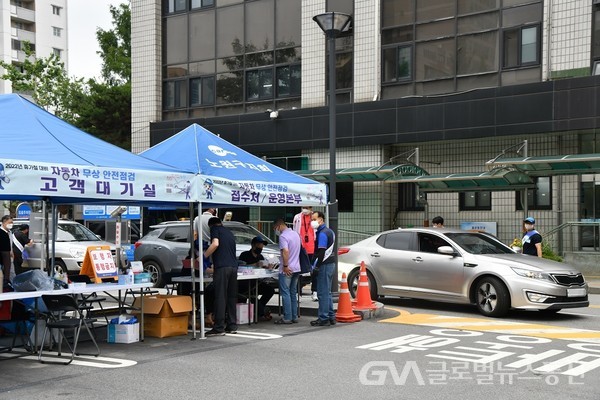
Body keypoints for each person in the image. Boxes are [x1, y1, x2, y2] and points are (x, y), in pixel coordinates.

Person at [203, 217, 238, 336]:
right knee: (231, 297)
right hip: (234, 267)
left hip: (222, 267)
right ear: (221, 223)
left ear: (210, 226)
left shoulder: (215, 230)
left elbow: (215, 244)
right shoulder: (229, 232)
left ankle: (218, 327)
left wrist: (203, 256)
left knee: (220, 296)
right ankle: (232, 325)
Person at [238, 236, 276, 321]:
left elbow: (263, 268)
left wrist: (267, 268)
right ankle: (261, 310)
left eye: (262, 246)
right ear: (253, 245)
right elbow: (241, 266)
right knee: (252, 294)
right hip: (246, 282)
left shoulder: (261, 256)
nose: (261, 247)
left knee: (270, 290)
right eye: (259, 245)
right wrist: (255, 264)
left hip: (257, 281)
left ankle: (258, 309)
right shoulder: (244, 255)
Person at [310, 211, 336, 327]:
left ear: (321, 219)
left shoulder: (322, 233)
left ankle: (323, 318)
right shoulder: (330, 231)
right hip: (331, 264)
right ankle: (331, 316)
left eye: (314, 219)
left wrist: (317, 266)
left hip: (324, 265)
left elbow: (321, 251)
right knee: (328, 292)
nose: (312, 222)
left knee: (322, 293)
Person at [273, 218, 301, 324]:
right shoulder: (295, 234)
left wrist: (285, 265)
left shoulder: (283, 236)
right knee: (293, 292)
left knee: (285, 293)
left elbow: (285, 251)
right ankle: (294, 316)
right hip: (297, 267)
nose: (276, 230)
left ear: (279, 226)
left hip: (287, 269)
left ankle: (287, 317)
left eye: (275, 228)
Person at [293, 206, 317, 301]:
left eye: (307, 207)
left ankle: (314, 291)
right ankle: (297, 291)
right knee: (299, 270)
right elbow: (295, 231)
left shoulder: (314, 217)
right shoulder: (297, 217)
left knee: (314, 271)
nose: (305, 209)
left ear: (311, 208)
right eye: (304, 207)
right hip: (301, 248)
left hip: (312, 248)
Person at [0, 215, 14, 286]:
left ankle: (8, 284)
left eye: (12, 222)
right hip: (3, 255)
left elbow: (10, 244)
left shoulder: (10, 232)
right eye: (10, 222)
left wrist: (11, 252)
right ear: (4, 222)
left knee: (10, 272)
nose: (11, 224)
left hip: (9, 254)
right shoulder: (1, 232)